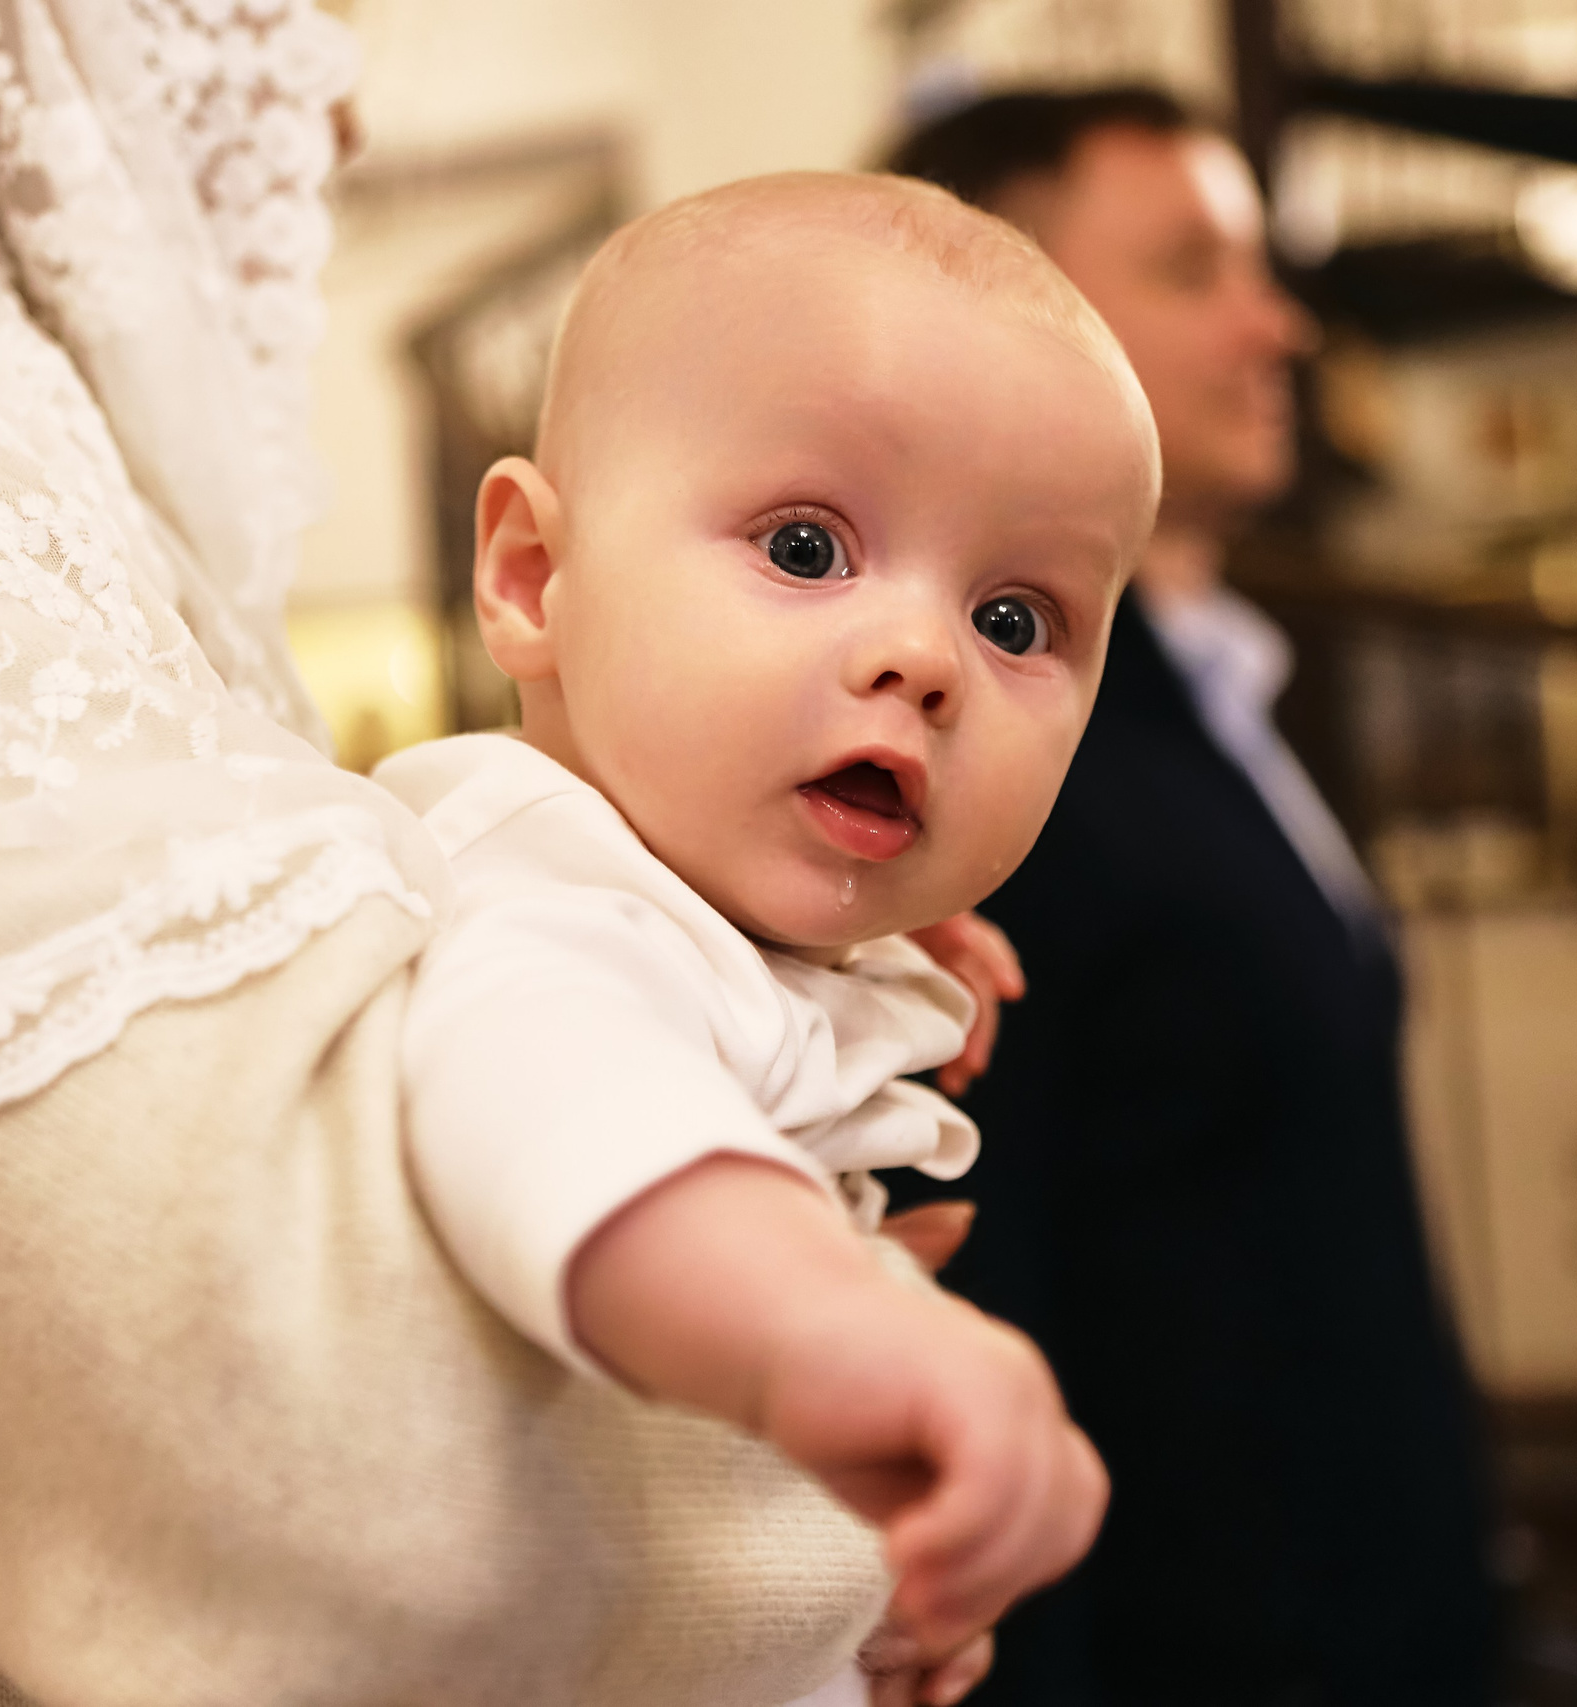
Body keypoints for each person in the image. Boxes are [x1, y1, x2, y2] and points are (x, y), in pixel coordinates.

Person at [0, 5, 996, 1703]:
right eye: (284, 16)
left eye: (1017, 621)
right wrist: (852, 1450)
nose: (333, 110)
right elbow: (258, 1417)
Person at [371, 171, 1157, 1707]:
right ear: (533, 579)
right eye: (806, 549)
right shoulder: (537, 894)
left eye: (1015, 621)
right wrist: (830, 1330)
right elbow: (561, 1093)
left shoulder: (698, 914)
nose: (923, 658)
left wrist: (862, 1572)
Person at [882, 90, 1505, 1705]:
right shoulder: (996, 756)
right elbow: (991, 1266)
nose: (1277, 324)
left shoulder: (1207, 693)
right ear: (1017, 319)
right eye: (1194, 268)